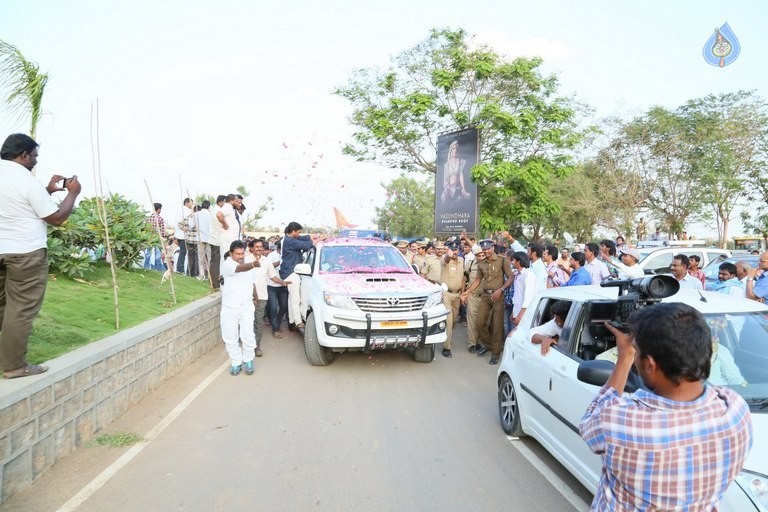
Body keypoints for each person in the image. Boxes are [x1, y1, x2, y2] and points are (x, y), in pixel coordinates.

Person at [580, 303, 753, 511]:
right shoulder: (735, 410)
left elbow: (589, 424)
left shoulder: (620, 421)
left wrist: (624, 359)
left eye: (637, 353)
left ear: (650, 365)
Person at [0, 133, 81, 378]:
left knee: (3, 307)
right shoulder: (26, 180)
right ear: (23, 154)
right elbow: (56, 218)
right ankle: (14, 366)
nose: (35, 161)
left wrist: (47, 190)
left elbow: (16, 204)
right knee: (21, 309)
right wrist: (73, 193)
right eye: (34, 156)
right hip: (25, 253)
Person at [461, 239, 514, 365]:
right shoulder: (481, 263)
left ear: (493, 248)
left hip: (498, 296)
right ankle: (490, 345)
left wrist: (501, 290)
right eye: (484, 249)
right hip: (486, 295)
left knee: (497, 325)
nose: (486, 251)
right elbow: (478, 281)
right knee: (479, 322)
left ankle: (495, 354)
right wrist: (467, 292)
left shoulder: (502, 260)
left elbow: (511, 277)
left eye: (488, 249)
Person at [220, 240, 259, 375]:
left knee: (248, 334)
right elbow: (240, 269)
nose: (240, 256)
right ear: (231, 254)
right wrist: (253, 264)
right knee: (230, 336)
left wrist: (256, 297)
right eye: (237, 254)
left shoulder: (248, 264)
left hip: (246, 307)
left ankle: (248, 361)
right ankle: (236, 362)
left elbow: (252, 283)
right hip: (229, 307)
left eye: (242, 253)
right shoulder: (227, 264)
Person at [245, 239, 290, 357]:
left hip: (261, 297)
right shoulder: (245, 260)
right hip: (246, 297)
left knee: (258, 322)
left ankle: (256, 347)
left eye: (261, 247)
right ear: (251, 248)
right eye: (257, 247)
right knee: (247, 322)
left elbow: (273, 277)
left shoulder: (267, 262)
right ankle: (247, 345)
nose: (259, 249)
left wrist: (282, 282)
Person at [280, 222, 323, 330]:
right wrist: (319, 240)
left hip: (288, 272)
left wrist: (313, 236)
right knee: (296, 299)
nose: (299, 234)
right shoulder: (290, 241)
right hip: (290, 273)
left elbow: (303, 238)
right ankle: (298, 322)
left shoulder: (289, 238)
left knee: (291, 299)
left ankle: (291, 321)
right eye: (298, 232)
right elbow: (307, 245)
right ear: (293, 232)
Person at [438, 241, 465, 358]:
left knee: (453, 320)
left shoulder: (462, 261)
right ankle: (447, 347)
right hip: (447, 295)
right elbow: (446, 260)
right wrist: (448, 255)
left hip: (457, 295)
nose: (454, 252)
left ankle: (446, 335)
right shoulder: (444, 260)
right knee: (449, 321)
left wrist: (463, 294)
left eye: (456, 250)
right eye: (451, 250)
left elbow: (464, 278)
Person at [510, 251, 537, 333]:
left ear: (518, 261)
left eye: (513, 260)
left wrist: (520, 315)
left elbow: (528, 298)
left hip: (525, 315)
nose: (512, 262)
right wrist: (513, 313)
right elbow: (517, 295)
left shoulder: (529, 275)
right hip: (517, 311)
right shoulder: (518, 275)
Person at [208, 195, 226, 289]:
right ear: (220, 202)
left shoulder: (215, 210)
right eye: (224, 203)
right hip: (216, 239)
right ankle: (215, 282)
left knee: (215, 261)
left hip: (215, 238)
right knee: (216, 262)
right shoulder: (218, 211)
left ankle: (215, 281)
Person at [144, 203, 166, 271]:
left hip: (149, 238)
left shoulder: (148, 218)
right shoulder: (160, 219)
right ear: (158, 209)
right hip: (157, 238)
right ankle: (158, 268)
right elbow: (162, 231)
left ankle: (146, 266)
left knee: (148, 253)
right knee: (157, 254)